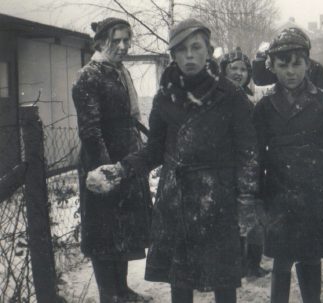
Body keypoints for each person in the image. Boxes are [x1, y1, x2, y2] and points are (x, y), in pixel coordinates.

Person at [87, 18, 260, 303]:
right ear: (173, 55)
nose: (189, 55)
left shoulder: (230, 95)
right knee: (179, 281)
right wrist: (121, 169)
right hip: (175, 202)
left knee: (223, 282)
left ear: (209, 51)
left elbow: (248, 152)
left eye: (196, 48)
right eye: (181, 50)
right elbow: (154, 150)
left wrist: (247, 200)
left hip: (218, 200)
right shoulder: (165, 97)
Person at [252, 29, 323, 303]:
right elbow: (256, 157)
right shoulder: (264, 107)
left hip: (314, 196)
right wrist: (256, 199)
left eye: (297, 64)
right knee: (281, 261)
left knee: (310, 258)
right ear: (272, 67)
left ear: (308, 64)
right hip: (278, 197)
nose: (291, 72)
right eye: (283, 65)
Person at [72, 18, 153, 303]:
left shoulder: (119, 72)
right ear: (101, 42)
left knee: (125, 228)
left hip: (126, 160)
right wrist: (105, 172)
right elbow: (91, 131)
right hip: (102, 163)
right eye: (116, 41)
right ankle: (109, 294)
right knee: (105, 230)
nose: (123, 46)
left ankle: (122, 289)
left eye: (126, 40)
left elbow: (131, 118)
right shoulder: (89, 76)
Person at [220, 47, 269, 278]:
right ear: (223, 71)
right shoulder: (217, 100)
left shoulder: (251, 100)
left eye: (243, 69)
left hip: (252, 164)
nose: (239, 73)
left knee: (255, 214)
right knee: (231, 217)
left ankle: (252, 264)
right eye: (233, 68)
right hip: (226, 166)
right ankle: (236, 263)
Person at [251, 27, 323, 95]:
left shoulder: (315, 68)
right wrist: (260, 58)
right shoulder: (280, 64)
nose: (290, 71)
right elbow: (260, 79)